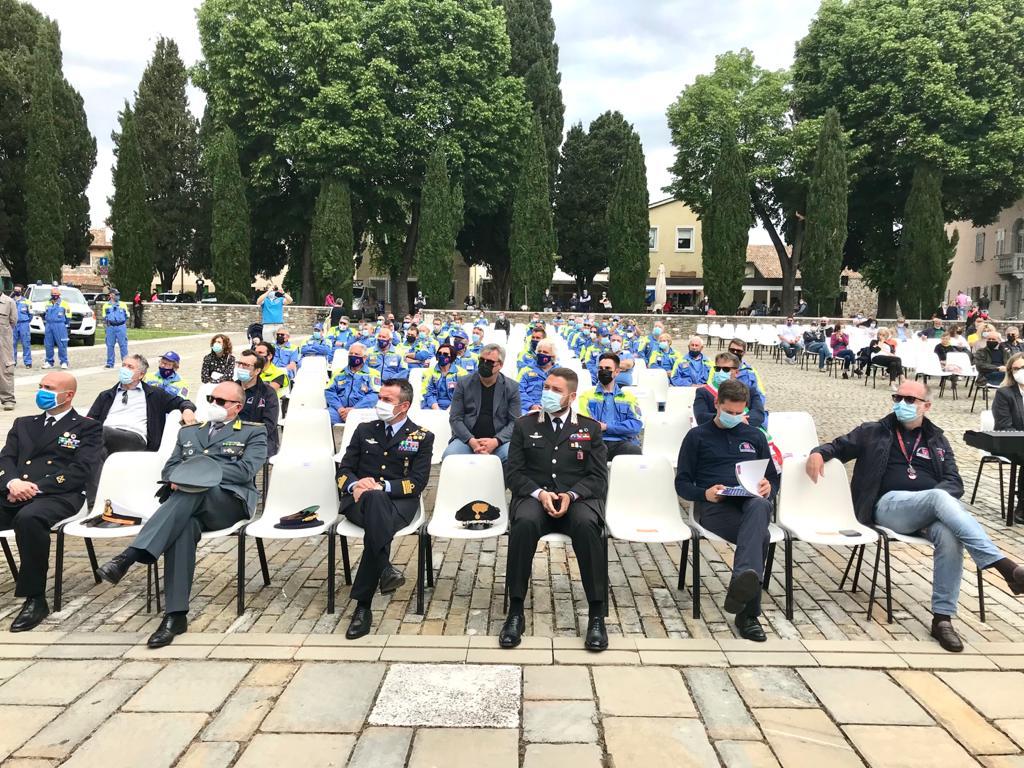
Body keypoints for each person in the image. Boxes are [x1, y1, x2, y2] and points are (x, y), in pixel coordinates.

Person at [808, 379, 1024, 652]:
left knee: (948, 534)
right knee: (937, 498)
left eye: (909, 400)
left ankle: (942, 619)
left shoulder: (937, 439)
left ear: (927, 406)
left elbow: (954, 482)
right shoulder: (873, 431)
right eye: (898, 398)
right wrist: (818, 452)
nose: (902, 404)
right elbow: (838, 447)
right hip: (887, 508)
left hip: (928, 512)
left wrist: (935, 501)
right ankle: (1006, 567)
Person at [95, 381, 267, 648]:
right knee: (184, 526)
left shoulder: (252, 432)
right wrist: (189, 477)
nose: (214, 405)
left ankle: (129, 556)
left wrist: (196, 474)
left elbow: (244, 471)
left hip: (228, 502)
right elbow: (169, 469)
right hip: (188, 504)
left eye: (221, 401)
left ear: (238, 407)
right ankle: (175, 616)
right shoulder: (189, 433)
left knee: (192, 490)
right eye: (211, 398)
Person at [500, 368, 609, 651]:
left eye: (556, 390)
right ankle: (515, 610)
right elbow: (513, 473)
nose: (548, 393)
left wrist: (571, 495)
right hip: (536, 497)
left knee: (588, 527)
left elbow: (598, 478)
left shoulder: (590, 428)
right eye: (546, 387)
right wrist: (540, 493)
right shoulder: (525, 425)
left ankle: (597, 614)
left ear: (572, 396)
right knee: (523, 524)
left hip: (577, 500)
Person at [676, 378, 778, 642]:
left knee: (760, 503)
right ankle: (748, 615)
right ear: (716, 404)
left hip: (749, 503)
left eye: (739, 413)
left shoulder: (754, 436)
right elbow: (682, 483)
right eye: (729, 412)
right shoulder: (697, 436)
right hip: (715, 507)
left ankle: (740, 585)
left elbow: (772, 479)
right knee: (762, 537)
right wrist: (705, 494)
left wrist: (769, 487)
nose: (734, 417)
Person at [1, 372, 102, 631]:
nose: (42, 392)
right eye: (40, 386)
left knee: (29, 518)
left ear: (68, 395)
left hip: (60, 495)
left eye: (49, 388)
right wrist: (12, 483)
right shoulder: (23, 423)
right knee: (22, 513)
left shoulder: (86, 427)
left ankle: (35, 599)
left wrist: (35, 488)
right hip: (15, 489)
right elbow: (6, 459)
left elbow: (81, 470)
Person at [336, 379, 433, 639]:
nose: (380, 404)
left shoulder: (422, 437)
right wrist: (355, 484)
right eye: (380, 397)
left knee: (378, 505)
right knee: (375, 505)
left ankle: (364, 605)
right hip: (358, 502)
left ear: (404, 406)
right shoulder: (364, 429)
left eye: (387, 400)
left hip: (399, 504)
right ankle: (383, 572)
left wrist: (381, 486)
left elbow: (417, 482)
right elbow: (344, 469)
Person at [87, 354, 197, 454]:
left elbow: (183, 402)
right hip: (105, 435)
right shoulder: (106, 395)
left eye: (130, 367)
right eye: (123, 365)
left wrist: (187, 409)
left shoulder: (155, 394)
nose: (124, 369)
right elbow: (90, 420)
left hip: (135, 437)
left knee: (100, 432)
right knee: (99, 450)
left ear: (141, 375)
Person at [444, 344, 520, 463]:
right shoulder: (464, 383)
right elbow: (455, 418)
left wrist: (495, 441)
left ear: (500, 365)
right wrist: (472, 441)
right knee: (450, 456)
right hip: (467, 440)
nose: (484, 364)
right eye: (481, 360)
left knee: (512, 458)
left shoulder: (512, 387)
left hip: (499, 442)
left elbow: (514, 422)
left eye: (489, 362)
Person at [577, 353, 642, 460]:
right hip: (596, 442)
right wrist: (620, 427)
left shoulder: (629, 398)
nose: (603, 371)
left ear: (617, 372)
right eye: (600, 368)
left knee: (633, 451)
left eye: (607, 368)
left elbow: (635, 426)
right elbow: (587, 424)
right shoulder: (586, 396)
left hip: (621, 443)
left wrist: (607, 427)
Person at [693, 353, 765, 429]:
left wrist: (741, 421)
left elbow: (758, 414)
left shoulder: (750, 391)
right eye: (718, 369)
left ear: (737, 372)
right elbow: (701, 417)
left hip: (744, 432)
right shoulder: (704, 392)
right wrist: (733, 420)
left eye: (726, 369)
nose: (721, 372)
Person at [993, 353, 1024, 523]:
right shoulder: (1004, 394)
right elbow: (1004, 425)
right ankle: (1022, 507)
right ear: (1011, 372)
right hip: (1011, 442)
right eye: (1016, 369)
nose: (1020, 371)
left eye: (1023, 368)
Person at [235, 349, 280, 457]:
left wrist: (245, 437)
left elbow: (268, 425)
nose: (241, 368)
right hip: (231, 437)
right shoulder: (230, 388)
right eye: (239, 364)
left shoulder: (268, 393)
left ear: (257, 371)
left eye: (246, 365)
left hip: (258, 439)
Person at [325, 343, 380, 424]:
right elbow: (329, 391)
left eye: (356, 354)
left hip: (360, 411)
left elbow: (374, 395)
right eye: (351, 354)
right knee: (325, 417)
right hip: (339, 411)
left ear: (364, 358)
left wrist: (354, 409)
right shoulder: (339, 373)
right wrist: (339, 408)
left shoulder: (373, 374)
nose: (353, 356)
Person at [422, 343, 468, 410]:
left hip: (455, 406)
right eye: (439, 353)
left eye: (445, 354)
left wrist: (450, 410)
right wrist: (437, 409)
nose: (441, 356)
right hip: (433, 406)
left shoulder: (462, 373)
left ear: (452, 357)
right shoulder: (428, 372)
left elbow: (462, 395)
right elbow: (427, 393)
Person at [518, 339, 557, 413]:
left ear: (552, 356)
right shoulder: (527, 370)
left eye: (545, 352)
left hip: (552, 412)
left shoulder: (560, 373)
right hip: (528, 410)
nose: (541, 354)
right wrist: (531, 406)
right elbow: (519, 391)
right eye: (539, 351)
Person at [42, 287, 70, 370]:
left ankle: (64, 362)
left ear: (59, 294)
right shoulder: (47, 303)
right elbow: (44, 314)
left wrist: (66, 326)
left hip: (60, 325)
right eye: (53, 294)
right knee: (48, 344)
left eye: (56, 294)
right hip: (49, 325)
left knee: (62, 344)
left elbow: (68, 317)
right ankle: (49, 362)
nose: (54, 295)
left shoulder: (64, 304)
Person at [101, 288, 130, 369]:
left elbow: (127, 315)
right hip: (110, 327)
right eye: (115, 294)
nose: (117, 296)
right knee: (110, 345)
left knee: (123, 345)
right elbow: (104, 317)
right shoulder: (106, 305)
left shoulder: (123, 304)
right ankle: (110, 363)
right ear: (111, 295)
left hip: (121, 326)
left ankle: (125, 363)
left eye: (118, 294)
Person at [0, 289, 15, 410]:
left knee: (5, 369)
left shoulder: (9, 302)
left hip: (3, 342)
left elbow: (13, 321)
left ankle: (8, 399)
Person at [12, 285, 32, 367]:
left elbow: (31, 314)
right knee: (12, 344)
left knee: (26, 343)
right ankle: (13, 362)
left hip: (24, 324)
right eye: (15, 290)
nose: (16, 291)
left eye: (18, 290)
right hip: (13, 325)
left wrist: (25, 321)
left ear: (22, 291)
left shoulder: (27, 301)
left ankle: (28, 362)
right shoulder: (10, 301)